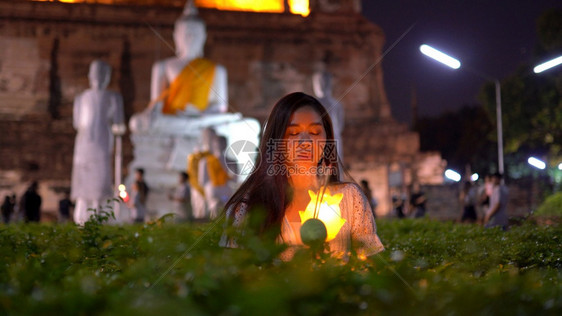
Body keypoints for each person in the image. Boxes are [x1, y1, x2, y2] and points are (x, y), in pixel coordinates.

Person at [220, 92, 384, 261]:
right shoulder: (247, 208)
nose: (304, 141)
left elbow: (371, 268)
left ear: (327, 139)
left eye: (315, 132)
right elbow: (234, 274)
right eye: (293, 133)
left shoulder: (350, 199)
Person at [71, 59, 125, 225]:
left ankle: (99, 207)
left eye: (102, 73)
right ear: (89, 75)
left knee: (101, 173)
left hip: (102, 139)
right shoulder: (81, 98)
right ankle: (83, 208)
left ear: (108, 77)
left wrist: (118, 129)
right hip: (84, 141)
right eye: (95, 73)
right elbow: (77, 123)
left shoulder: (113, 97)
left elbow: (119, 122)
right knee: (83, 173)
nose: (98, 77)